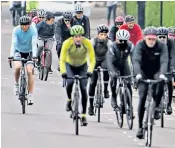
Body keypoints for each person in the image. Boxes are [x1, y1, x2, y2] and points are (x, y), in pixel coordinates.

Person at [133, 26, 168, 139]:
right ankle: (140, 127)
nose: (151, 41)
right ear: (145, 38)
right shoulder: (140, 45)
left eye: (153, 39)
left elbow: (164, 61)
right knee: (142, 97)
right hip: (143, 72)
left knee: (161, 84)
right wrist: (137, 74)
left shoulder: (161, 46)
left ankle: (157, 106)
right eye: (149, 39)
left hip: (156, 71)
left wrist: (162, 73)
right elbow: (136, 60)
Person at [60, 25, 95, 125]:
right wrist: (63, 72)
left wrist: (90, 71)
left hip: (82, 66)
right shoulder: (67, 43)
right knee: (70, 82)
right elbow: (62, 60)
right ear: (72, 37)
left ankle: (84, 115)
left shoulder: (87, 43)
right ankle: (69, 100)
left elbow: (92, 59)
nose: (78, 38)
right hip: (69, 65)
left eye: (80, 36)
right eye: (75, 36)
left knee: (83, 89)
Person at [8, 16, 38, 105]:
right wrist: (11, 55)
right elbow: (14, 43)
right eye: (22, 25)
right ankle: (16, 84)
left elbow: (33, 44)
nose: (24, 27)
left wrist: (35, 56)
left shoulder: (33, 30)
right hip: (18, 51)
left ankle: (31, 94)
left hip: (30, 52)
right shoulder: (16, 30)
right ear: (20, 25)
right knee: (18, 67)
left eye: (26, 25)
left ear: (29, 25)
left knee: (29, 71)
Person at [88, 24, 113, 116]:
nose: (103, 36)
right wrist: (89, 67)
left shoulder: (109, 42)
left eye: (105, 34)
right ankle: (90, 106)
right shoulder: (93, 41)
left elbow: (111, 54)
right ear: (98, 34)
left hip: (104, 59)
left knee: (106, 69)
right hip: (94, 59)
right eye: (101, 34)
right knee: (92, 82)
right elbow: (89, 54)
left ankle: (105, 89)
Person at [106, 29, 134, 109]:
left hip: (124, 64)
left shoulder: (130, 45)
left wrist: (135, 73)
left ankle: (129, 105)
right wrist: (112, 71)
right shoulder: (113, 46)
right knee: (114, 78)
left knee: (128, 84)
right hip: (114, 64)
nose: (122, 43)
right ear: (117, 39)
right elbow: (109, 60)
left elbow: (134, 59)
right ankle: (114, 97)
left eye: (124, 41)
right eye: (120, 40)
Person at [156, 27, 175, 115]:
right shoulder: (154, 43)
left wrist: (172, 68)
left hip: (167, 64)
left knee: (169, 81)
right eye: (160, 37)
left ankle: (169, 105)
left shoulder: (171, 43)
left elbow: (173, 56)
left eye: (164, 37)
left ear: (167, 37)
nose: (162, 39)